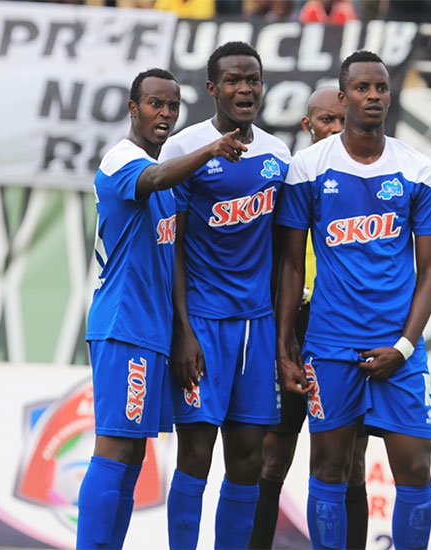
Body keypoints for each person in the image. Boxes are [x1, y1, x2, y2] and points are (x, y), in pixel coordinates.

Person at [275, 51, 431, 550]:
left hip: (399, 350)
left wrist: (405, 346)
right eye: (362, 88)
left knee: (414, 468)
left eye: (381, 88)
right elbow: (290, 266)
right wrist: (285, 348)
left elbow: (430, 271)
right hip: (329, 347)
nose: (373, 96)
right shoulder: (308, 168)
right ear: (344, 95)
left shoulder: (418, 170)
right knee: (329, 468)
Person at [77, 68, 248, 549]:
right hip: (123, 324)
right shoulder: (124, 160)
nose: (166, 114)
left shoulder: (167, 182)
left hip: (152, 331)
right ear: (134, 108)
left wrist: (180, 330)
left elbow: (170, 254)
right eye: (156, 104)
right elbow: (152, 177)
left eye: (173, 106)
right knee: (114, 449)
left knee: (132, 456)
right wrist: (209, 150)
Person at [160, 41, 291, 550]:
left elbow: (284, 253)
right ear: (213, 89)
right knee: (196, 455)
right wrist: (182, 330)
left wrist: (282, 342)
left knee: (248, 461)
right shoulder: (185, 149)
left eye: (253, 79)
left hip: (256, 328)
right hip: (202, 324)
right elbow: (171, 246)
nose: (245, 89)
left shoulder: (278, 155)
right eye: (234, 80)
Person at [249, 86, 369, 550]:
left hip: (347, 329)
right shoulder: (291, 178)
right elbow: (270, 256)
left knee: (350, 462)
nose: (336, 129)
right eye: (326, 121)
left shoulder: (373, 180)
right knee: (272, 456)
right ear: (308, 126)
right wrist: (282, 338)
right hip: (293, 326)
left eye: (343, 120)